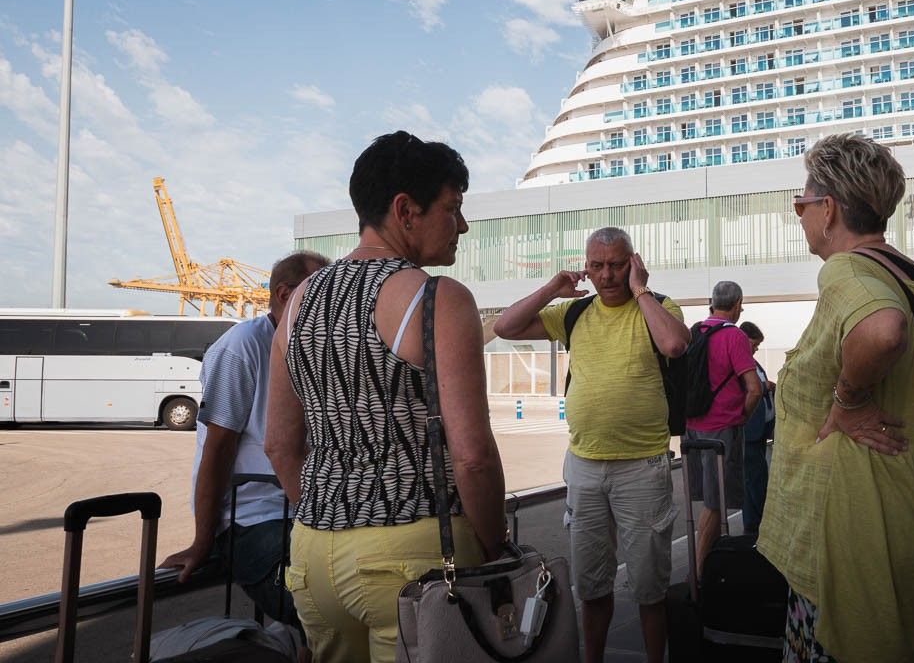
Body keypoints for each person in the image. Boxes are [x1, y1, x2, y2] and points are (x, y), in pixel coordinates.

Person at [756, 134, 914, 662]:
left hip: (854, 527)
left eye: (800, 205)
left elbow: (881, 331)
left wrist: (848, 401)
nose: (799, 216)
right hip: (913, 509)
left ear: (828, 210)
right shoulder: (912, 276)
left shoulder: (847, 269)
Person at [264, 131, 507, 663]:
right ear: (406, 210)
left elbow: (280, 444)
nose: (461, 225)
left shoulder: (301, 297)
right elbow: (472, 456)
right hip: (413, 557)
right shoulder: (437, 298)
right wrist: (495, 547)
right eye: (452, 208)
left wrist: (328, 519)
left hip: (312, 557)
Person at [492, 226, 689, 663]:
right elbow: (505, 326)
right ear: (586, 267)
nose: (606, 275)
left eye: (617, 264)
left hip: (642, 466)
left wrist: (641, 290)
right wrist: (552, 288)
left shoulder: (657, 306)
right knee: (593, 582)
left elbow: (675, 343)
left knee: (649, 585)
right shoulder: (574, 313)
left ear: (633, 262)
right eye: (597, 266)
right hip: (584, 465)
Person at [161, 250, 329, 626]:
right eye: (317, 293)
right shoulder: (243, 347)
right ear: (286, 295)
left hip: (306, 512)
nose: (327, 305)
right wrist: (203, 541)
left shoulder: (312, 348)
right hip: (254, 518)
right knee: (315, 609)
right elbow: (218, 448)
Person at [685, 281, 761, 575]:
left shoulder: (693, 332)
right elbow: (753, 390)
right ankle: (700, 573)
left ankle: (707, 567)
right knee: (716, 504)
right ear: (738, 303)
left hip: (693, 427)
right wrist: (740, 417)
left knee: (706, 500)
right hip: (722, 429)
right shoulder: (734, 336)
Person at [739, 321, 774, 539]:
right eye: (754, 344)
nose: (756, 349)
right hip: (750, 432)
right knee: (754, 480)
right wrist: (764, 387)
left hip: (760, 430)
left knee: (758, 477)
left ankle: (757, 522)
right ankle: (754, 524)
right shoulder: (740, 364)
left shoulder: (753, 364)